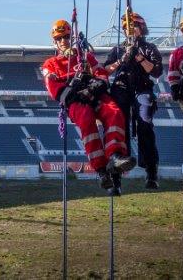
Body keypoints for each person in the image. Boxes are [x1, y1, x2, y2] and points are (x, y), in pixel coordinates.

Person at [42, 19, 135, 195]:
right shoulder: (50, 64)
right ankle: (101, 170)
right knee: (86, 120)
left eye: (66, 37)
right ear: (54, 42)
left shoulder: (85, 57)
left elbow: (101, 74)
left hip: (95, 93)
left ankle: (115, 156)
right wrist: (77, 93)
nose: (63, 41)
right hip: (75, 100)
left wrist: (94, 87)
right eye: (59, 38)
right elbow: (55, 90)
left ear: (72, 38)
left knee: (114, 112)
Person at [104, 12, 163, 189]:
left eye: (134, 27)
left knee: (145, 123)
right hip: (121, 88)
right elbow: (105, 70)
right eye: (127, 28)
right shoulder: (117, 49)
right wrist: (121, 60)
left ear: (141, 28)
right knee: (119, 126)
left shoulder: (149, 48)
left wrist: (139, 57)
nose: (130, 30)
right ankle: (116, 173)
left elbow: (156, 72)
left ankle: (151, 170)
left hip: (141, 88)